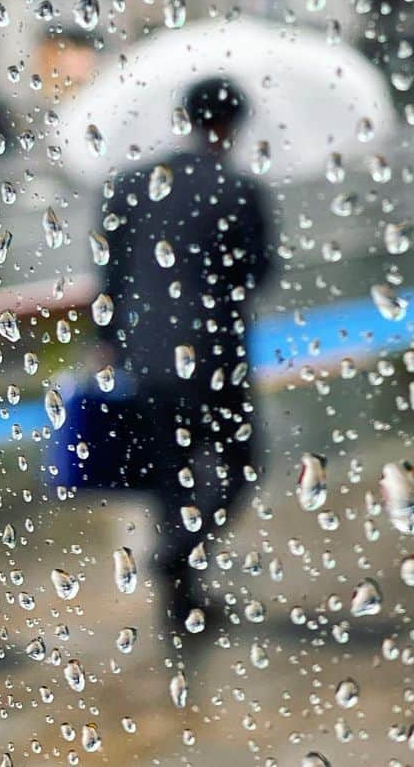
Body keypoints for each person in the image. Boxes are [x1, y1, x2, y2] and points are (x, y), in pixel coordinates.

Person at [98, 76, 273, 635]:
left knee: (168, 476)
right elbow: (259, 272)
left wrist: (114, 341)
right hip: (215, 352)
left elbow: (112, 273)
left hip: (144, 355)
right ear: (232, 125)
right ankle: (180, 554)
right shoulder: (239, 189)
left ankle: (179, 596)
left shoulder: (130, 183)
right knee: (242, 463)